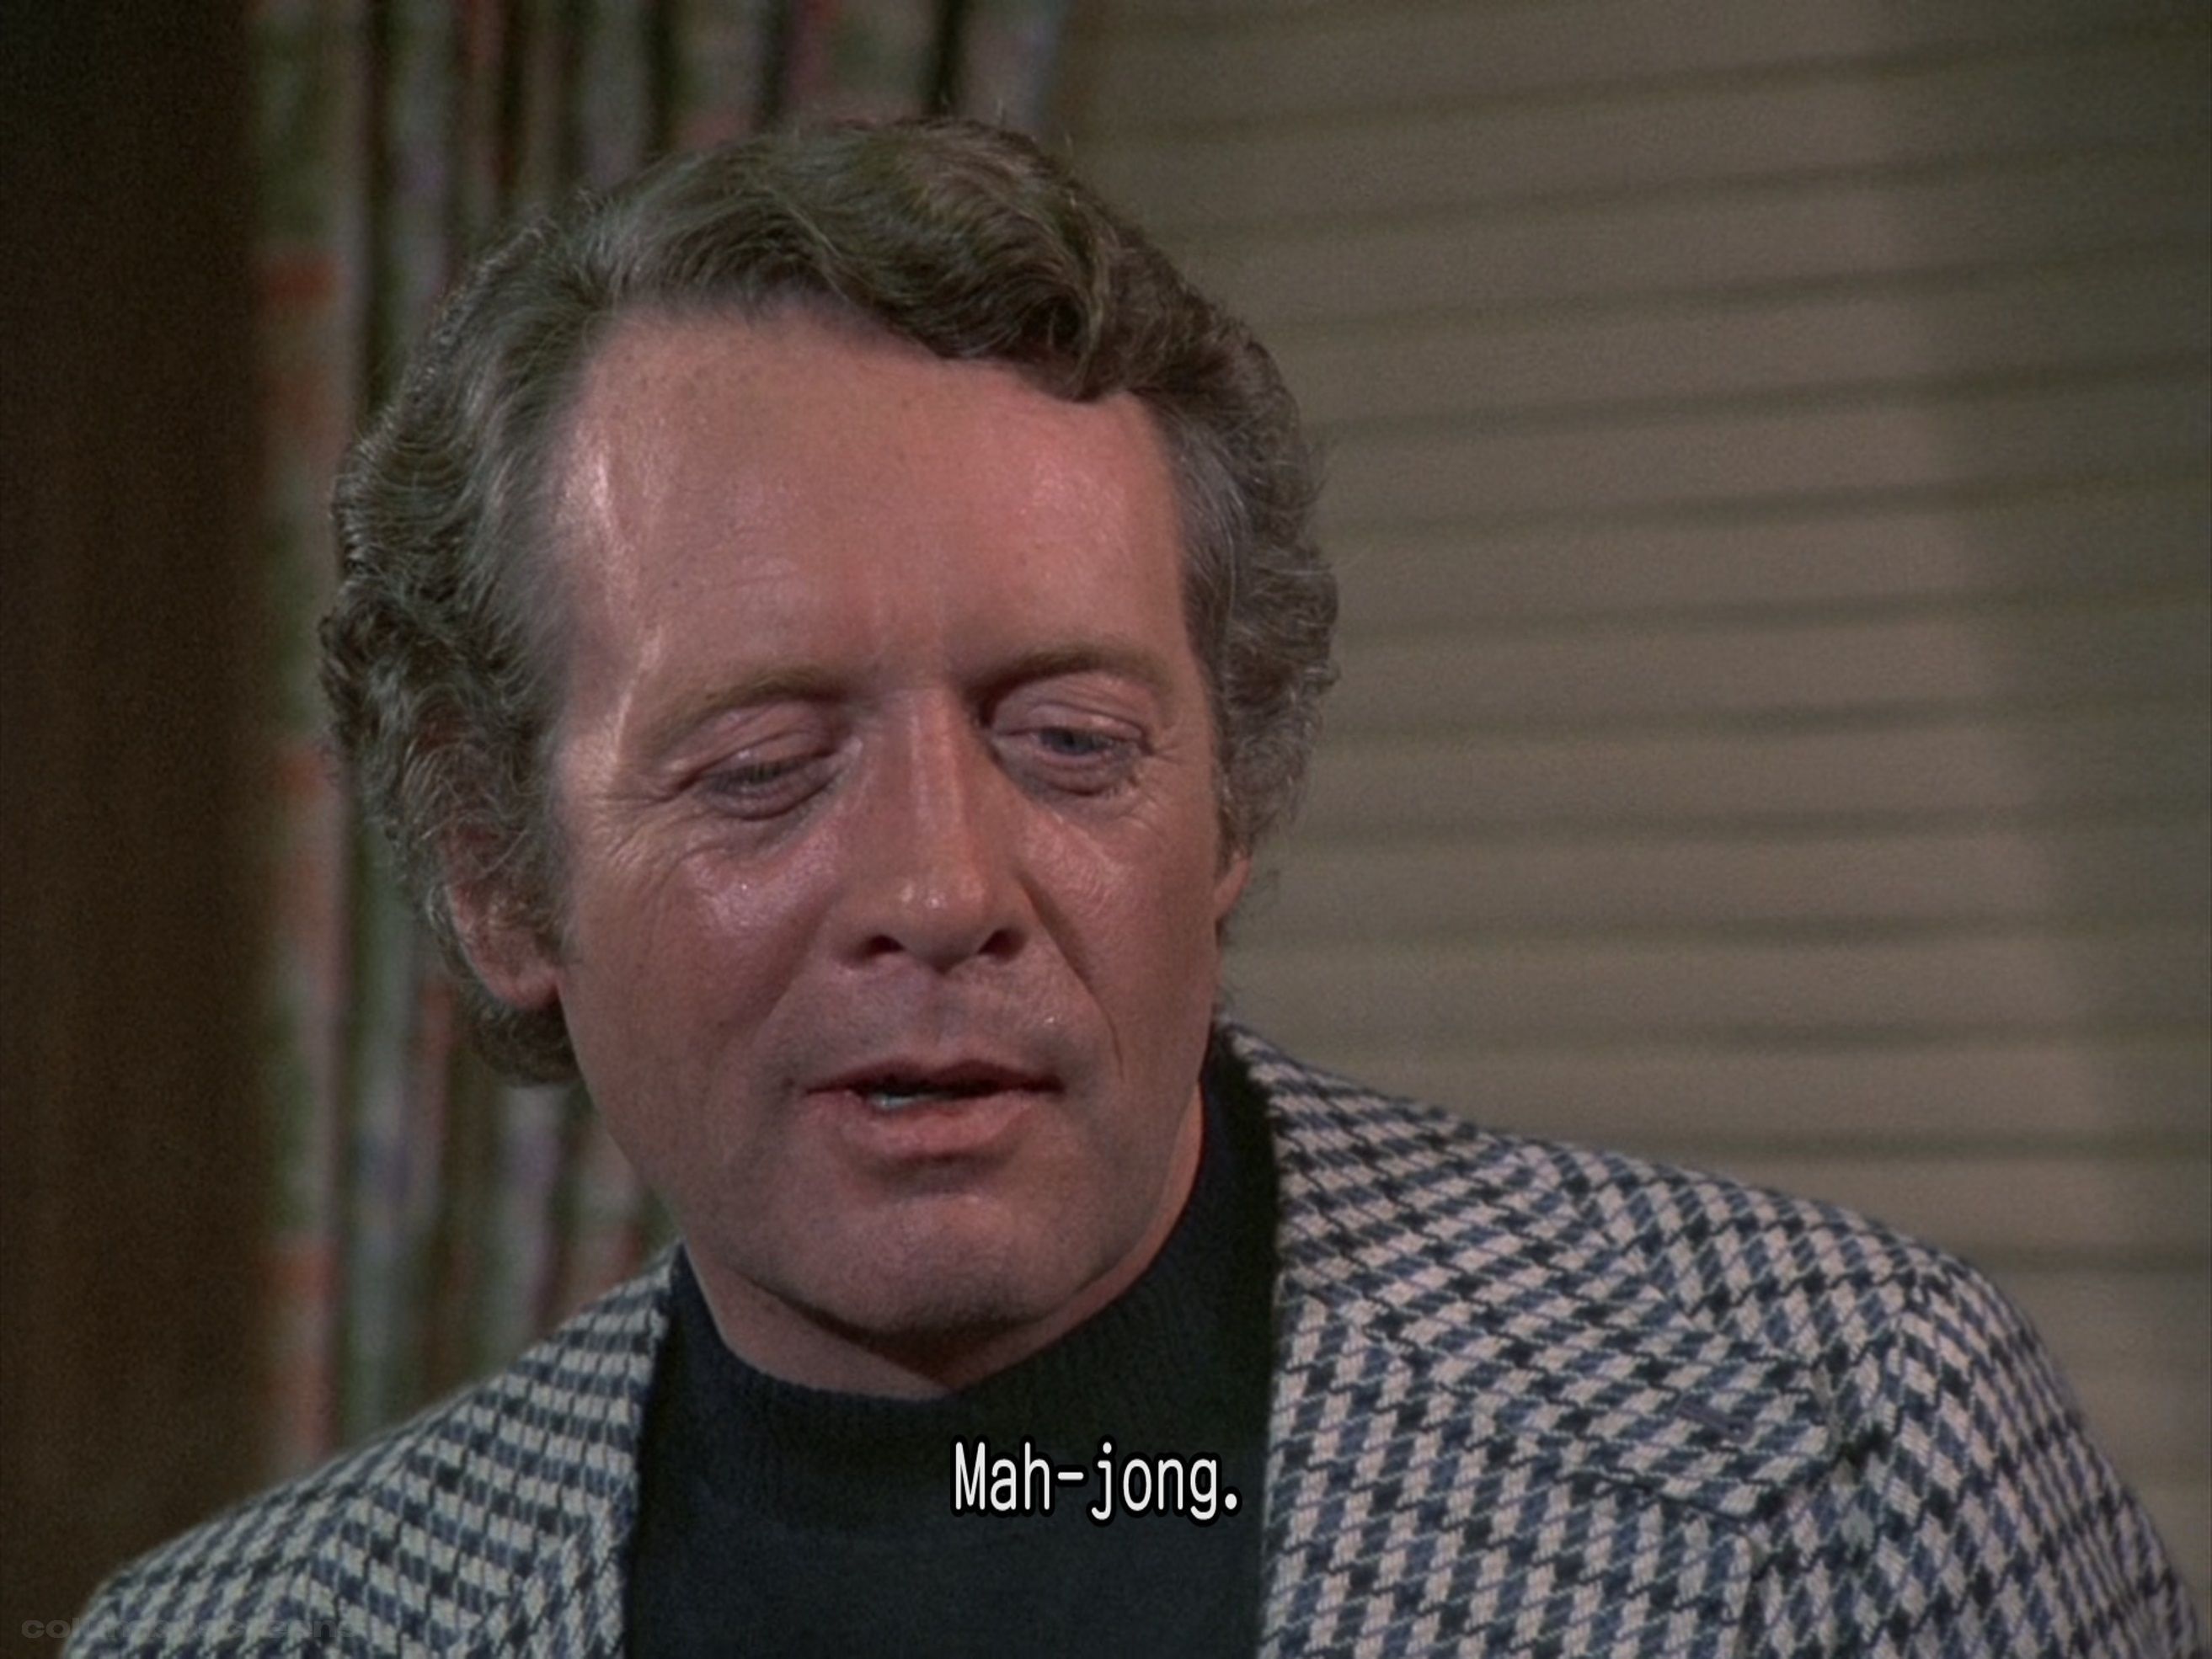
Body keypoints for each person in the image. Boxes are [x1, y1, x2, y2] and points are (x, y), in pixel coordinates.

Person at [71, 119, 2198, 1658]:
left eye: (1071, 741)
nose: (940, 887)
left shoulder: (1844, 1456)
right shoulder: (242, 1629)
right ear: (495, 873)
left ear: (1232, 799)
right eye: (763, 766)